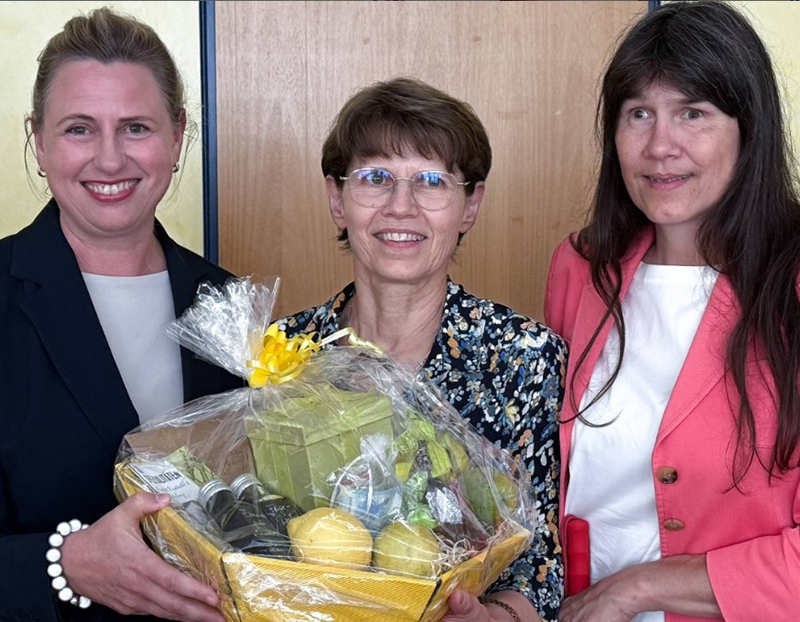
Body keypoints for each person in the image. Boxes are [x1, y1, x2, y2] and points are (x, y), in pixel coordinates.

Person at [544, 2, 800, 621]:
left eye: (693, 113)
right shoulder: (579, 266)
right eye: (639, 115)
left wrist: (640, 588)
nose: (661, 146)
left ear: (749, 128)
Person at [279, 77, 566, 622]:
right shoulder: (284, 356)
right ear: (337, 199)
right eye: (376, 177)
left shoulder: (522, 357)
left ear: (469, 205)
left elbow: (542, 568)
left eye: (432, 181)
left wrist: (495, 618)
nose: (401, 206)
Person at [0, 8, 242, 622]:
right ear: (39, 140)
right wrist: (67, 564)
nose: (110, 160)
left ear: (178, 136)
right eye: (79, 129)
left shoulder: (230, 305)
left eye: (136, 127)